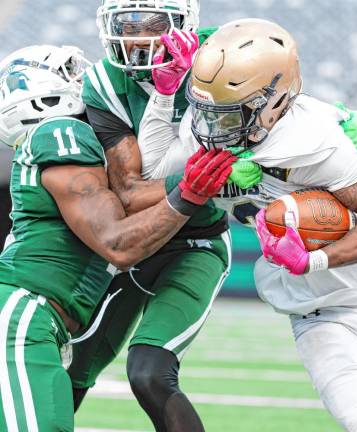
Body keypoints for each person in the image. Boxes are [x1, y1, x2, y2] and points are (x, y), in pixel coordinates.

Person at [136, 18, 357, 432]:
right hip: (321, 315)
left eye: (226, 115)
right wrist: (165, 98)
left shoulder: (317, 141)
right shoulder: (214, 124)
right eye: (205, 110)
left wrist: (312, 260)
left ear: (275, 104)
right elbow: (150, 171)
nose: (210, 128)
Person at [0, 44, 235, 432]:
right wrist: (188, 191)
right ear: (43, 95)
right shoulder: (62, 132)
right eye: (70, 73)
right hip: (24, 315)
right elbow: (118, 243)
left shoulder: (66, 143)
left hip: (45, 320)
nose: (83, 79)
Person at [68, 2, 253, 431]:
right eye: (126, 24)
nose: (136, 35)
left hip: (197, 242)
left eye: (151, 23)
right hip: (133, 241)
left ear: (184, 22)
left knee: (150, 373)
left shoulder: (224, 56)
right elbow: (131, 192)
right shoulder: (104, 82)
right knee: (71, 369)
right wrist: (200, 183)